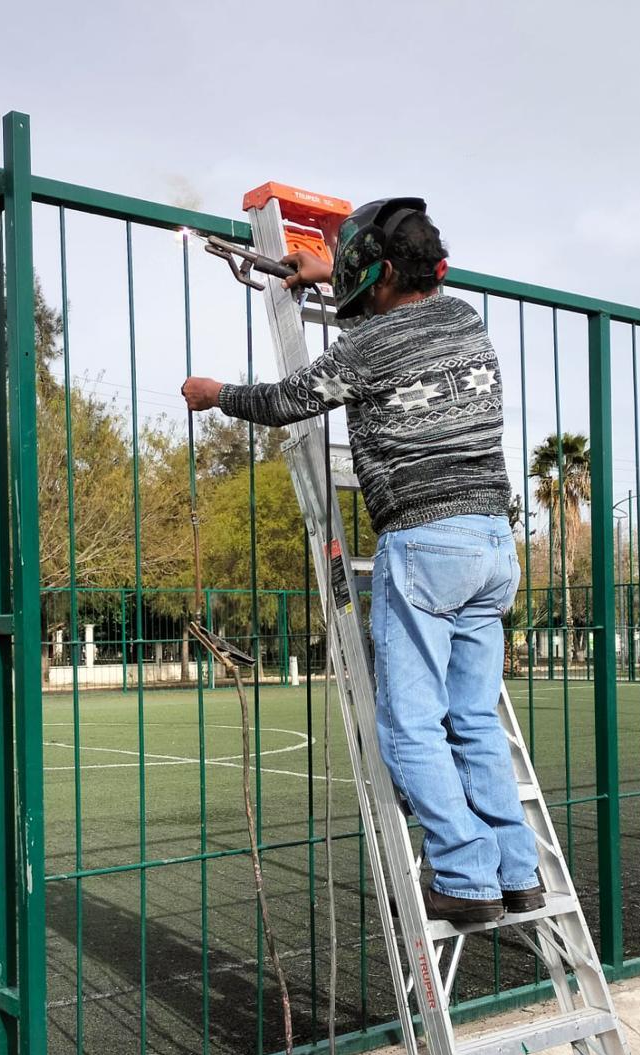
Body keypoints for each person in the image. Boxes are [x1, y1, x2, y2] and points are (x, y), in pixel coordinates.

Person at [181, 198, 540, 925]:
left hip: (425, 541)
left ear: (373, 275)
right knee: (471, 716)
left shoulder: (368, 349)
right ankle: (517, 873)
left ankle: (465, 880)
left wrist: (217, 395)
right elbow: (393, 321)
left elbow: (288, 399)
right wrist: (327, 278)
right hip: (493, 543)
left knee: (409, 722)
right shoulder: (465, 319)